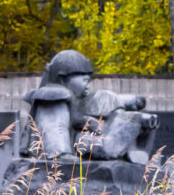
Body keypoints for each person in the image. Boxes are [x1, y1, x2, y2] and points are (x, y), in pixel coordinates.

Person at [22, 50, 159, 163]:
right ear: (63, 78)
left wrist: (127, 102)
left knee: (122, 112)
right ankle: (59, 153)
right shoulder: (53, 95)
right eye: (84, 80)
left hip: (81, 140)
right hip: (58, 151)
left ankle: (132, 148)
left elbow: (83, 112)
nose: (87, 85)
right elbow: (58, 126)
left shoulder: (78, 97)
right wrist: (60, 152)